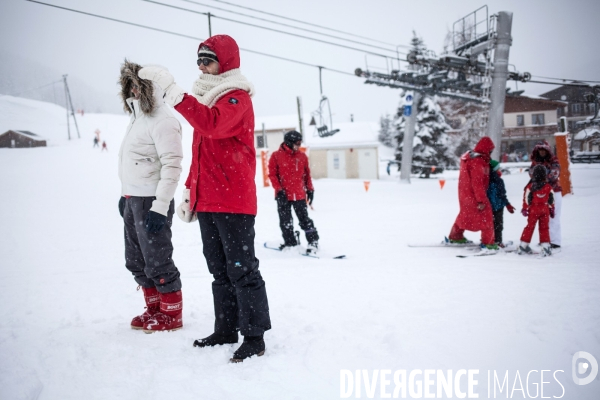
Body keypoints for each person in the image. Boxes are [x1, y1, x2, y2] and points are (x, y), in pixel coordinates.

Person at [139, 35, 271, 363]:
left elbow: (210, 126)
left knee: (242, 269)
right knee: (219, 270)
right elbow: (201, 153)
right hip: (209, 200)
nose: (202, 66)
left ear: (224, 62)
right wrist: (190, 192)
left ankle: (254, 337)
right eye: (198, 60)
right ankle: (226, 329)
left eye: (208, 59)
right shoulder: (206, 98)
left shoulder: (235, 98)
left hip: (234, 202)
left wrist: (173, 92)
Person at [117, 60, 184, 333]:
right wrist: (125, 195)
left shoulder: (164, 120)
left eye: (137, 84)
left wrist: (160, 206)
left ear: (148, 86)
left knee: (157, 259)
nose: (132, 89)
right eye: (128, 85)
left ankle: (172, 314)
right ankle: (154, 308)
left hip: (151, 201)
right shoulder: (138, 117)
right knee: (135, 259)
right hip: (133, 198)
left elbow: (172, 165)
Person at [268, 130, 319, 253]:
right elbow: (272, 175)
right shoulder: (276, 156)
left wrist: (310, 190)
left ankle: (313, 241)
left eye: (300, 143)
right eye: (297, 143)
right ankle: (290, 243)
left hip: (299, 195)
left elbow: (307, 175)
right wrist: (279, 190)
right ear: (289, 142)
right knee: (286, 222)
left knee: (304, 219)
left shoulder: (302, 156)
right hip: (283, 195)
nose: (299, 145)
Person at [447, 136, 497, 252]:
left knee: (465, 215)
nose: (491, 153)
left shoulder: (470, 159)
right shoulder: (478, 162)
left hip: (465, 194)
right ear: (486, 149)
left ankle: (456, 236)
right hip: (474, 195)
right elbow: (477, 183)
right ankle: (488, 243)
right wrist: (481, 200)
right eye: (490, 150)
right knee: (487, 217)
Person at [528, 141, 562, 250]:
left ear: (547, 151)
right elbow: (531, 173)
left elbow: (554, 174)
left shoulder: (554, 161)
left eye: (544, 150)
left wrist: (540, 177)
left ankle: (555, 241)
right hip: (539, 194)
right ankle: (545, 240)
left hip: (553, 191)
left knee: (554, 216)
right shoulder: (535, 162)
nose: (542, 152)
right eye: (540, 150)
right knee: (543, 218)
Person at [517, 165, 555, 257]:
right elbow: (551, 198)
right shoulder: (548, 187)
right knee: (544, 228)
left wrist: (525, 208)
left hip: (533, 210)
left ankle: (523, 245)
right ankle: (545, 246)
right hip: (544, 209)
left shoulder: (530, 186)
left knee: (529, 227)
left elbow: (526, 198)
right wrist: (552, 208)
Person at [487, 160, 516, 247]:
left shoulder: (485, 180)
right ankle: (498, 241)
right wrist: (507, 204)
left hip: (488, 207)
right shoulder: (499, 181)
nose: (499, 170)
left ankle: (488, 240)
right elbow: (502, 195)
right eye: (498, 168)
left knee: (489, 224)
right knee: (498, 225)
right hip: (498, 206)